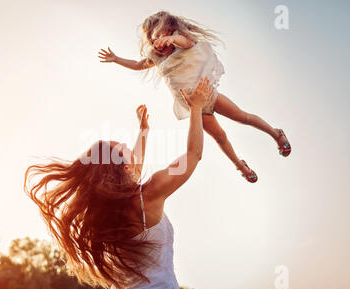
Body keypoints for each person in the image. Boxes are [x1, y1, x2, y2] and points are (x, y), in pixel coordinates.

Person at [24, 77, 214, 289]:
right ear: (121, 166)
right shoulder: (150, 194)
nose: (126, 145)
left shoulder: (107, 213)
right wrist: (197, 108)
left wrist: (143, 131)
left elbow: (132, 174)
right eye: (122, 147)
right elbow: (193, 155)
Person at [98, 11, 292, 183]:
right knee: (220, 137)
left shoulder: (182, 42)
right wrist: (116, 59)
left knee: (243, 117)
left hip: (207, 95)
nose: (158, 42)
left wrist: (172, 40)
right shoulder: (157, 58)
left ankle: (276, 134)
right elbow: (138, 64)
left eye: (161, 36)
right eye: (153, 39)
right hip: (194, 107)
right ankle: (240, 166)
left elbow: (184, 42)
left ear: (172, 31)